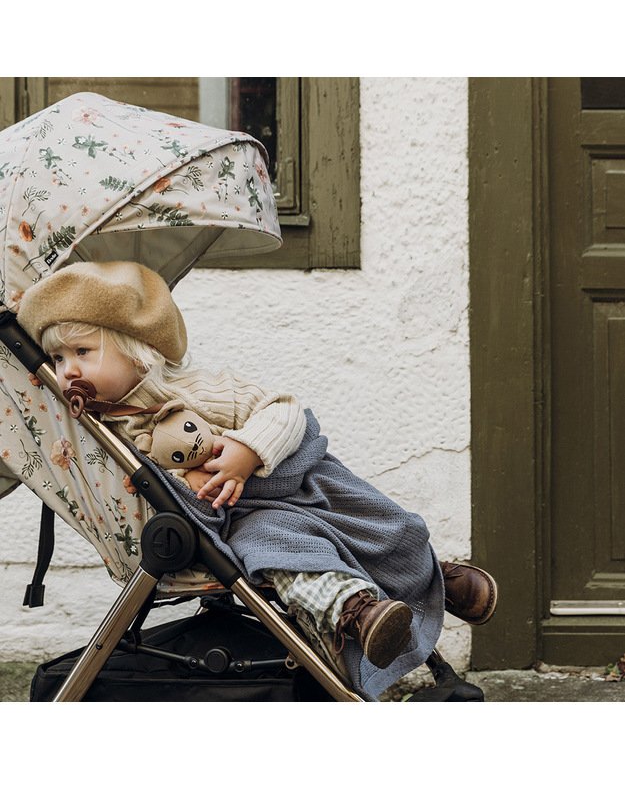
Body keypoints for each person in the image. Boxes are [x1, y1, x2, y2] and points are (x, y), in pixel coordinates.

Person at [17, 260, 497, 681]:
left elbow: (284, 409)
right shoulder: (106, 438)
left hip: (290, 485)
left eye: (83, 352)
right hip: (239, 523)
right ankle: (359, 612)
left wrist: (248, 450)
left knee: (364, 510)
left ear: (139, 349)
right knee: (280, 547)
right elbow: (143, 494)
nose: (67, 370)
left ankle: (430, 571)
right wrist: (185, 483)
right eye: (57, 358)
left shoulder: (200, 391)